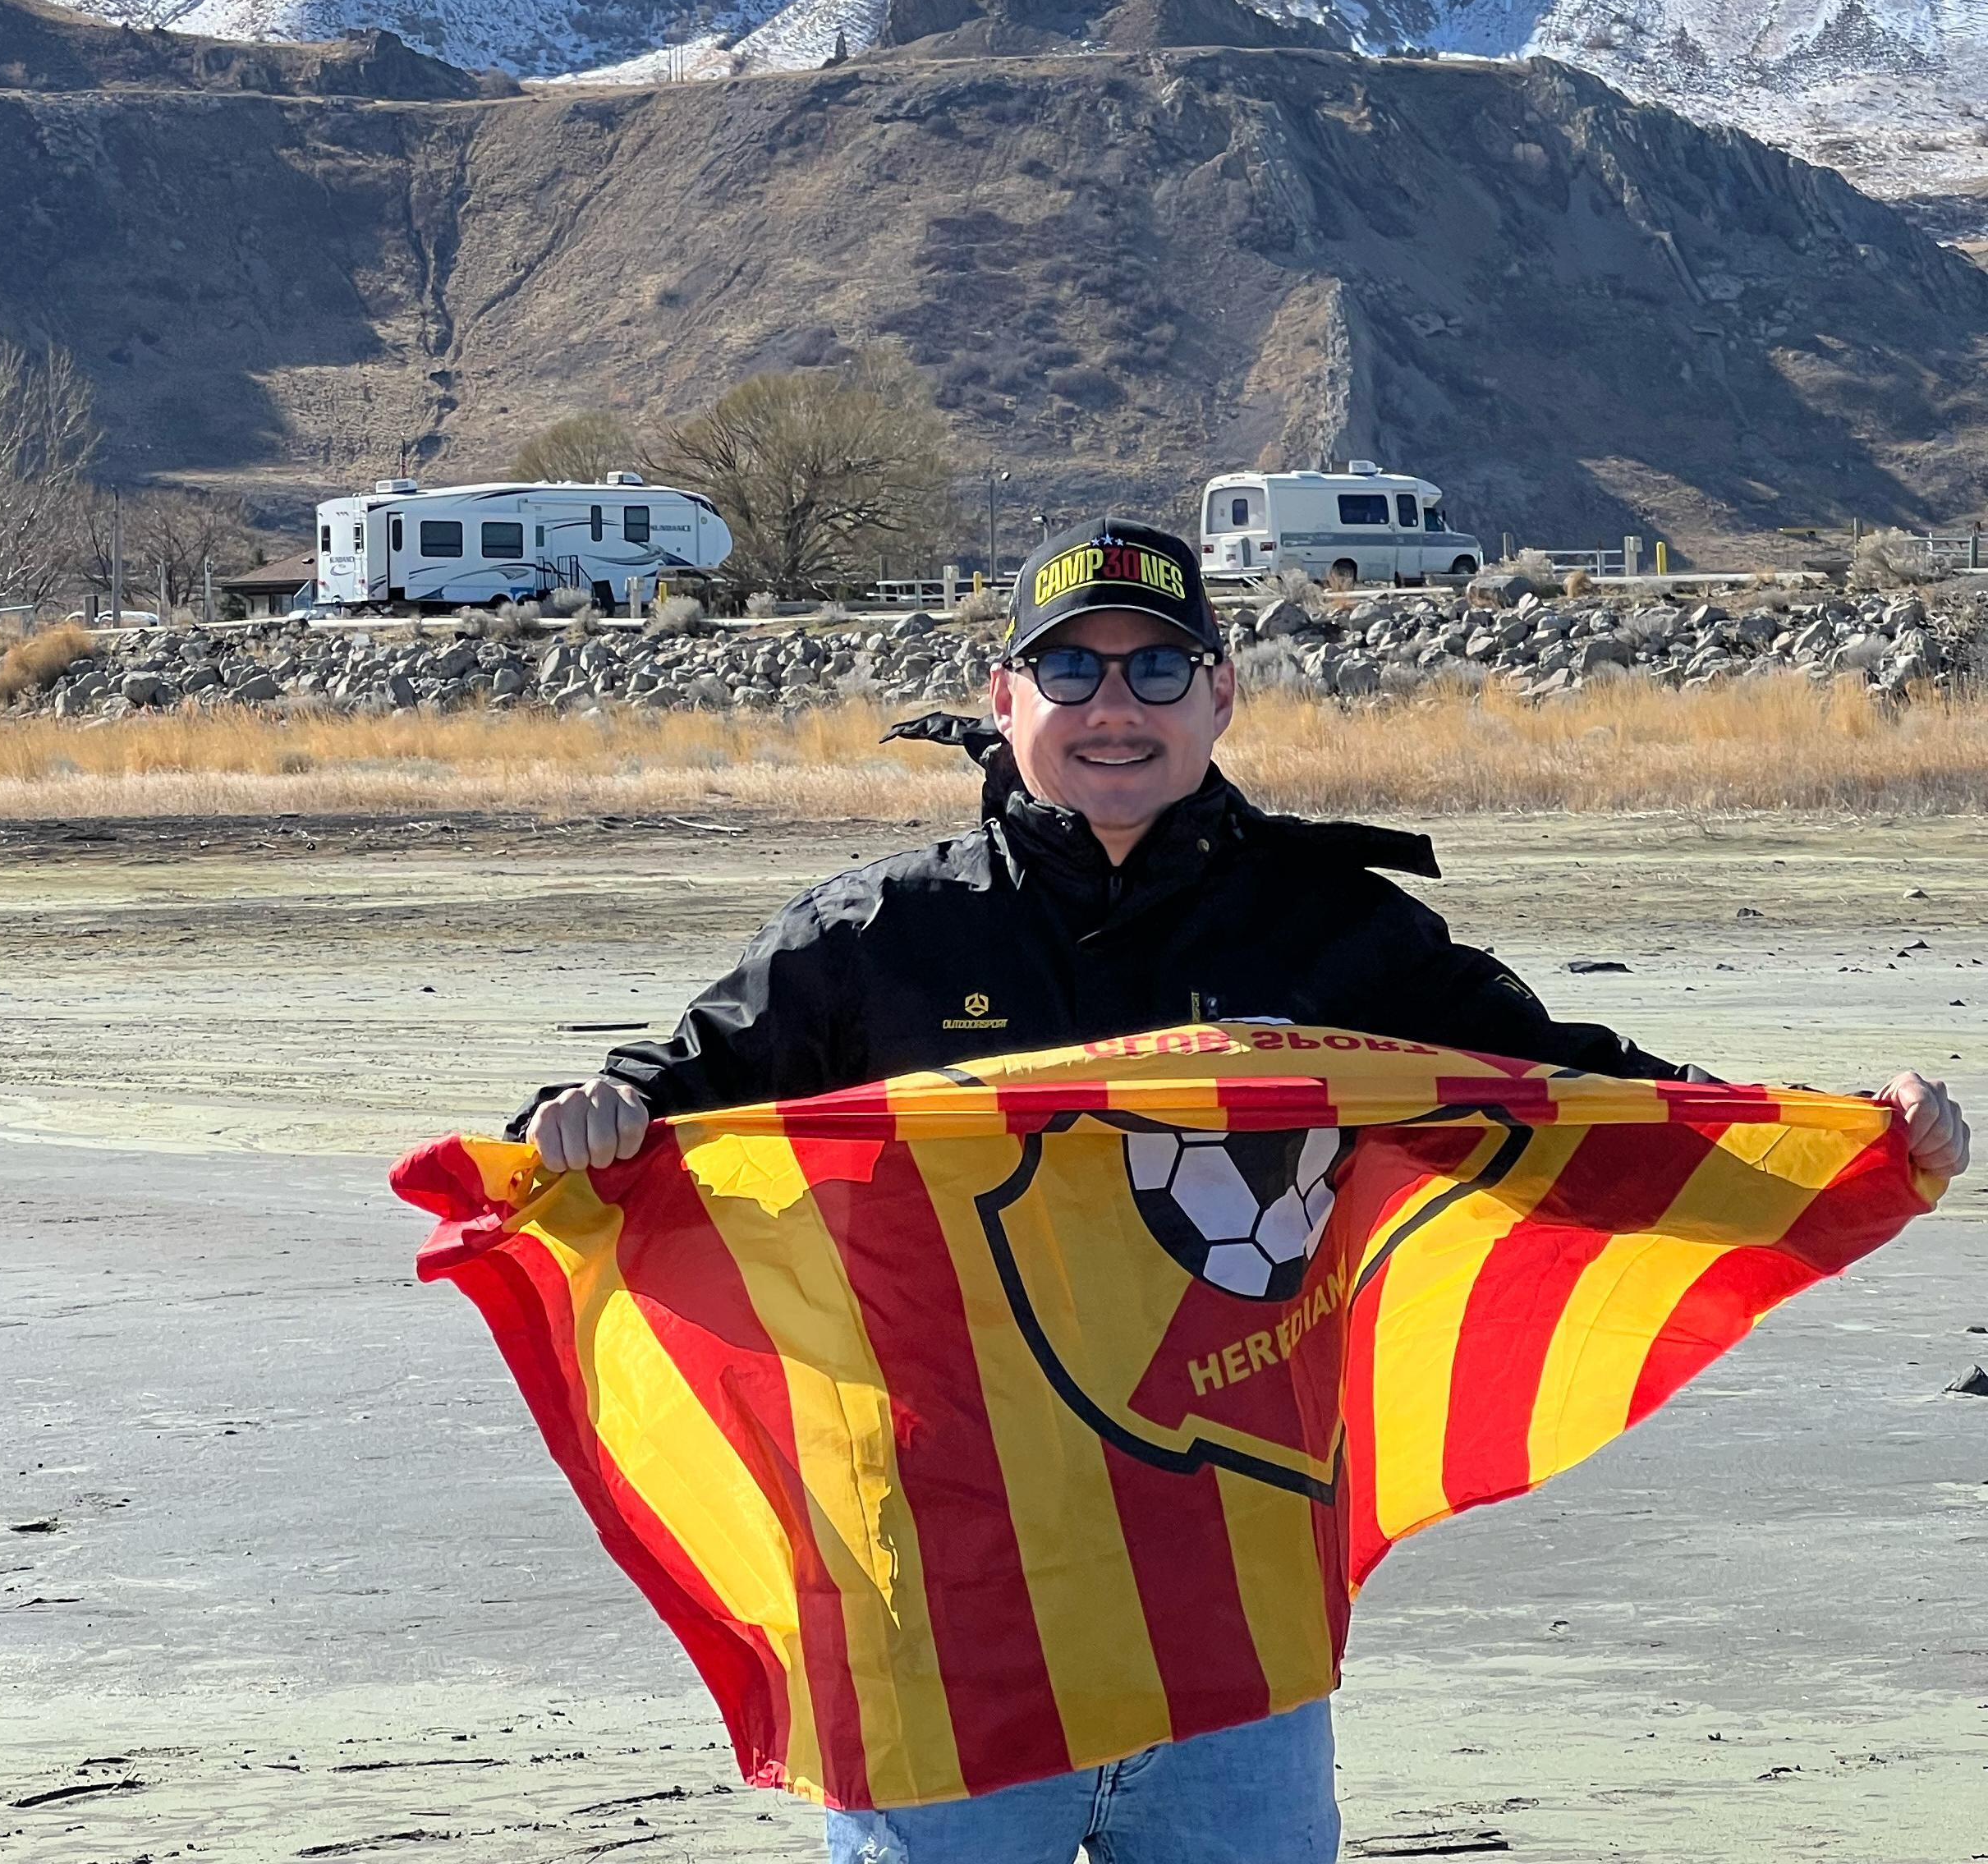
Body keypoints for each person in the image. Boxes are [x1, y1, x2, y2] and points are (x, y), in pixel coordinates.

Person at [521, 519, 1971, 1864]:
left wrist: (1830, 1139)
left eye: (1156, 667)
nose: (1114, 706)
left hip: (1225, 1632)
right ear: (1003, 693)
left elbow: (1574, 1103)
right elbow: (671, 1089)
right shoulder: (877, 938)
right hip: (945, 1620)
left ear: (1222, 695)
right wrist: (590, 1115)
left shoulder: (1328, 928)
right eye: (1071, 668)